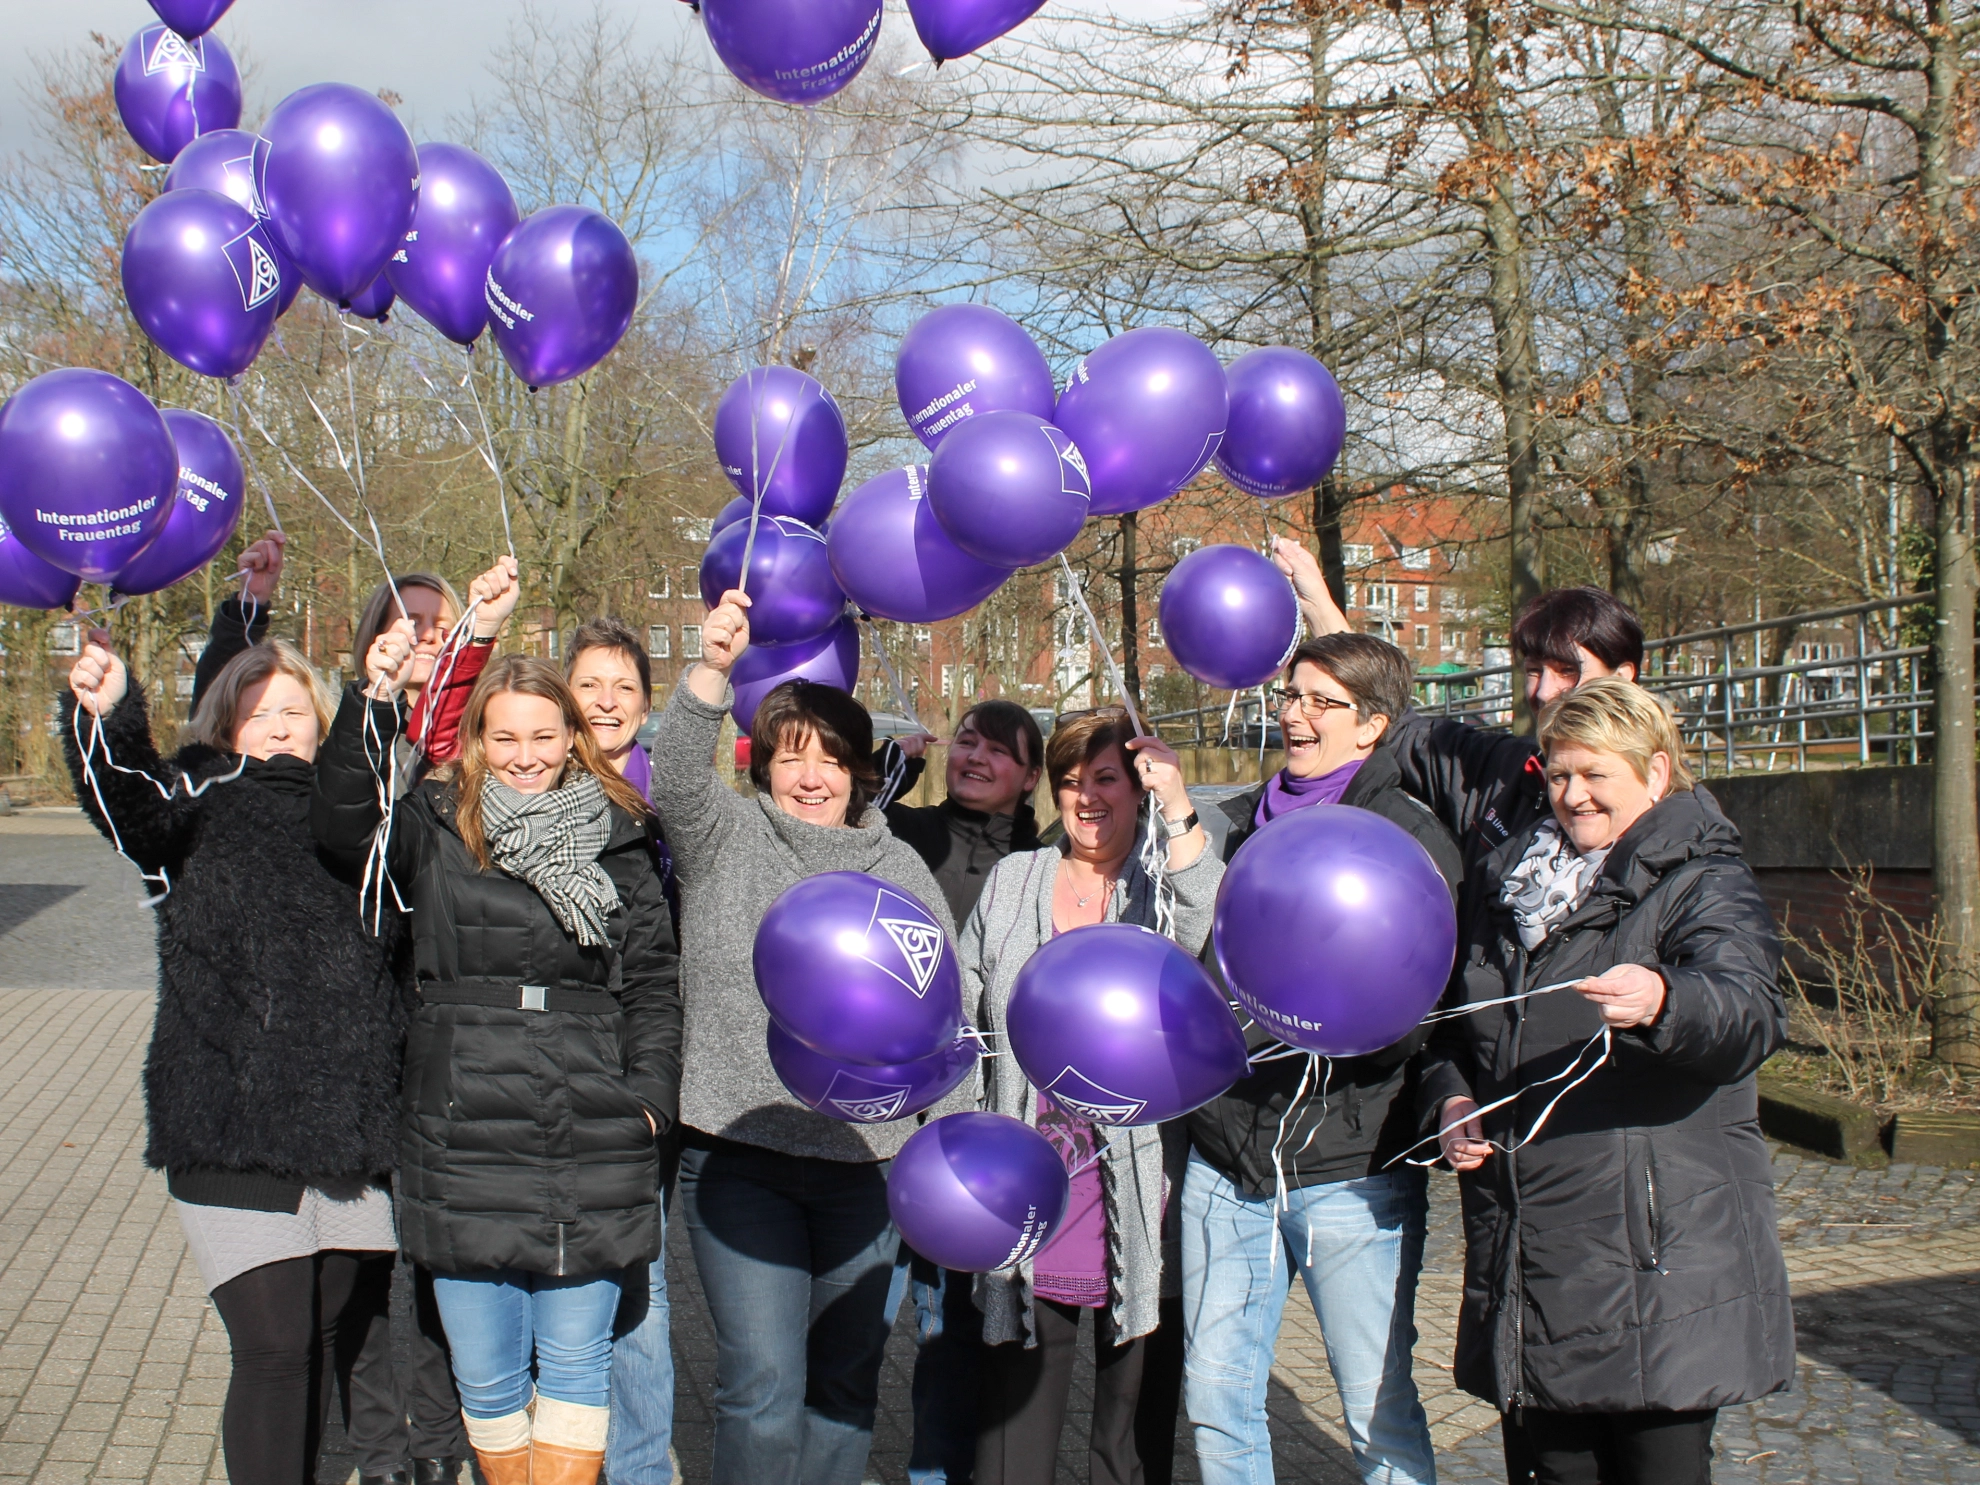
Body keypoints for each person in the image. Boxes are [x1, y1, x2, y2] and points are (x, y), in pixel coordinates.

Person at [313, 635, 681, 1485]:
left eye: (544, 737)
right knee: (484, 1376)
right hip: (462, 1127)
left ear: (572, 736)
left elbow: (655, 983)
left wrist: (649, 1101)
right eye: (505, 738)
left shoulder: (618, 830)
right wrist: (371, 698)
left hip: (593, 1124)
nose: (526, 757)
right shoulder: (434, 822)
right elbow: (339, 831)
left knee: (579, 1369)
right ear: (477, 737)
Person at [1423, 679, 1792, 1485]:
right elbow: (1460, 1024)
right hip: (1531, 1253)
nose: (1572, 794)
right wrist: (1452, 1097)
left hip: (1652, 1264)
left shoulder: (1702, 881)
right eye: (1557, 775)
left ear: (1656, 774)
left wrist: (1666, 1000)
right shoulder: (1509, 883)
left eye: (1595, 774)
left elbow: (1750, 1012)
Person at [62, 632, 406, 1485]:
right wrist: (107, 715)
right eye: (257, 714)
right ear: (225, 724)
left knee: (327, 1339)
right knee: (273, 1347)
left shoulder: (360, 815)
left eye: (293, 710)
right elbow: (123, 796)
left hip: (347, 1129)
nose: (277, 726)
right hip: (229, 1122)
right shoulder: (190, 800)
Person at [648, 587, 957, 1485]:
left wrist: (952, 1126)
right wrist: (712, 668)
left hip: (867, 1165)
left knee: (845, 1385)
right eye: (791, 757)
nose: (810, 776)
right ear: (763, 764)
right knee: (761, 1383)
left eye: (830, 759)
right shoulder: (725, 836)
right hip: (741, 1157)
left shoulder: (899, 866)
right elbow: (672, 773)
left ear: (862, 771)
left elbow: (945, 1006)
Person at [1181, 633, 1461, 1485]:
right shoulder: (1230, 824)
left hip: (1351, 1163)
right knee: (1216, 1393)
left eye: (1319, 701)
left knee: (1376, 1407)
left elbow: (1427, 1010)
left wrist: (1314, 1024)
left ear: (1372, 725)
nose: (1295, 716)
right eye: (1288, 697)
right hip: (1227, 1159)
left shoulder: (1411, 842)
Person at [960, 706, 1212, 1485]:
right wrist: (966, 1153)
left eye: (1107, 778)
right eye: (1071, 782)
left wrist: (1178, 806)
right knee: (1012, 1433)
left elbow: (1207, 921)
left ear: (1136, 787)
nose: (1088, 798)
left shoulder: (1159, 885)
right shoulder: (1013, 880)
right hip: (1031, 1188)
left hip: (1137, 1191)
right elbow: (968, 1021)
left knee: (1128, 1438)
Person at [880, 702, 1046, 1485]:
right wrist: (897, 768)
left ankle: (943, 1472)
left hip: (989, 1124)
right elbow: (841, 828)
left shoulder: (1044, 858)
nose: (976, 756)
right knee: (880, 1314)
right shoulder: (908, 832)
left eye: (999, 749)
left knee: (954, 1326)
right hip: (891, 1110)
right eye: (967, 740)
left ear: (1032, 774)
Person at [1273, 538, 1645, 864]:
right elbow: (1398, 727)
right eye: (1534, 671)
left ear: (1623, 678)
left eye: (1567, 671)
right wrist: (1318, 604)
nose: (1545, 691)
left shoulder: (1673, 821)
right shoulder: (1498, 771)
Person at [561, 617, 680, 1485]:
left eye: (625, 687)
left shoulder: (667, 798)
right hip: (539, 1071)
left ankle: (637, 1470)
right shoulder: (522, 784)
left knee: (641, 1290)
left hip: (635, 1064)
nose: (607, 701)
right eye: (591, 683)